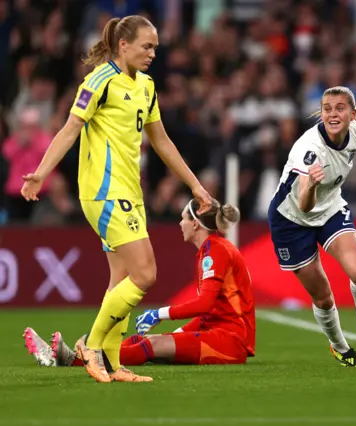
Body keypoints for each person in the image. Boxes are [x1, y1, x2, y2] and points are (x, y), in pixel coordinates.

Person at [20, 16, 214, 383]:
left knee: (122, 277)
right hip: (104, 191)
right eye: (146, 46)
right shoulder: (99, 80)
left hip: (131, 191)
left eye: (155, 47)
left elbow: (161, 141)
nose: (153, 53)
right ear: (123, 45)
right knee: (146, 273)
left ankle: (112, 362)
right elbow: (71, 127)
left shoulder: (147, 86)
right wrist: (42, 173)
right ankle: (91, 344)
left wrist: (195, 185)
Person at [23, 198, 255, 372]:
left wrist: (159, 314)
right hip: (220, 332)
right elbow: (213, 312)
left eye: (184, 217)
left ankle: (72, 359)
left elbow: (204, 304)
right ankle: (78, 356)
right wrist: (180, 333)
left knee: (149, 345)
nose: (180, 222)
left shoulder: (214, 251)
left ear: (195, 224)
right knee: (138, 341)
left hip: (230, 341)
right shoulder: (213, 249)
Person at [267, 86, 356, 367]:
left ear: (353, 114)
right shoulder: (309, 149)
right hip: (292, 220)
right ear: (320, 112)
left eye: (340, 108)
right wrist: (311, 184)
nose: (333, 114)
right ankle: (340, 347)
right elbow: (303, 205)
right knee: (323, 298)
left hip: (331, 209)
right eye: (327, 108)